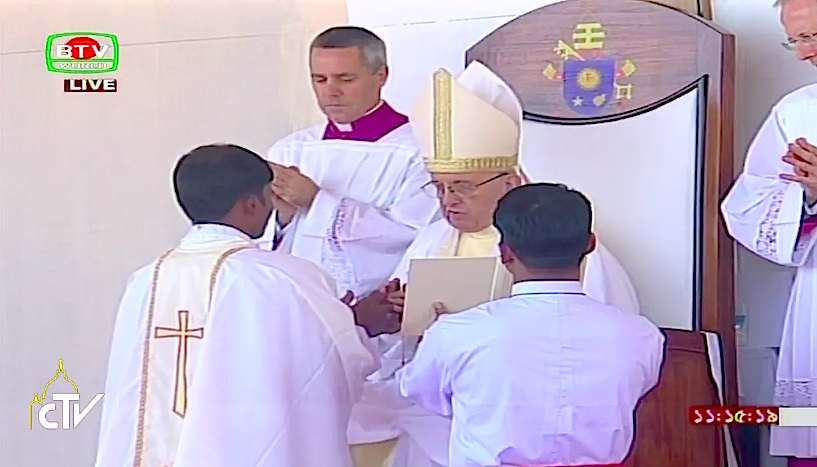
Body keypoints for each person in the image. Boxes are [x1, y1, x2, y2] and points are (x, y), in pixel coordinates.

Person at [347, 61, 643, 467]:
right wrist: (395, 318)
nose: (448, 201)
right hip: (438, 423)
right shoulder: (432, 239)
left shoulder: (569, 252)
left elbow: (603, 366)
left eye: (463, 187)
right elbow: (409, 368)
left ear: (511, 182)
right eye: (439, 187)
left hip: (523, 427)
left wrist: (461, 341)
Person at [92, 144, 384, 467]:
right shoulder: (283, 277)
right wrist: (358, 324)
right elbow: (329, 362)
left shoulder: (145, 280)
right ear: (252, 204)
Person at [396, 183, 665, 467]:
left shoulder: (458, 333)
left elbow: (421, 393)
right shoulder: (641, 335)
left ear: (505, 253)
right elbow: (636, 392)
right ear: (590, 245)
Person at [258, 25, 440, 300]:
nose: (331, 91)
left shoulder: (419, 150)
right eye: (320, 79)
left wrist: (317, 202)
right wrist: (283, 218)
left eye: (345, 79)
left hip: (376, 311)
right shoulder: (290, 150)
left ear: (381, 75)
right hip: (299, 304)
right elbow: (262, 245)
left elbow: (413, 234)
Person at [721, 1, 817, 465]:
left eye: (812, 37)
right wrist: (809, 199)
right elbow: (746, 205)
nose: (803, 54)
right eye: (794, 41)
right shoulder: (797, 113)